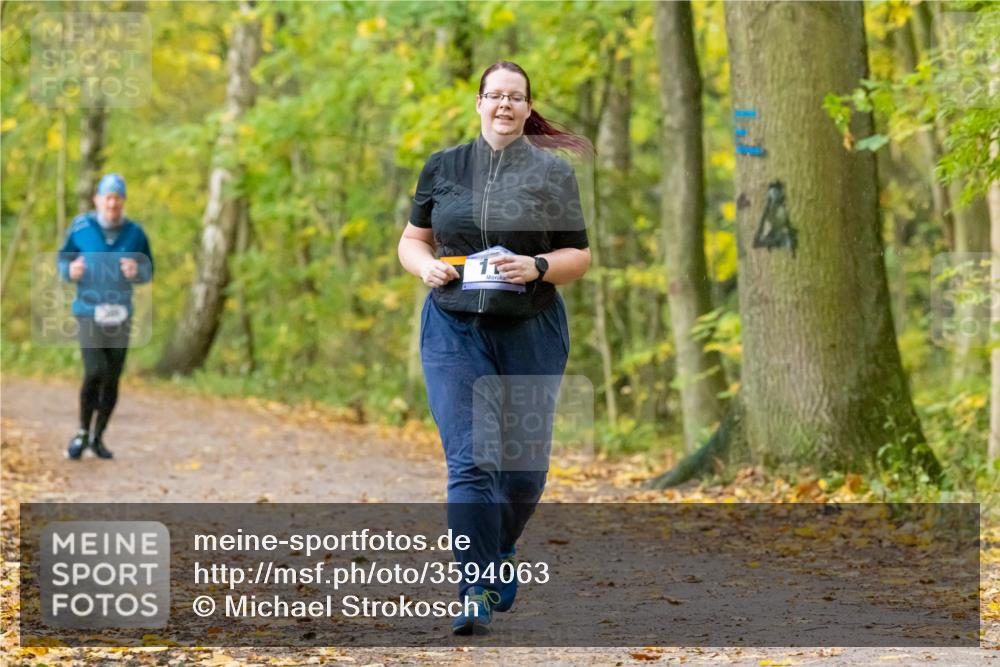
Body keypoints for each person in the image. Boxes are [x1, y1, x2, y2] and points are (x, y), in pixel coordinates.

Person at [397, 61, 591, 635]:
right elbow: (412, 241)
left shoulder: (552, 175)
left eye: (516, 97)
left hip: (531, 330)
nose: (504, 105)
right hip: (454, 330)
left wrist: (535, 266)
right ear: (478, 103)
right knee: (471, 459)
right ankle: (472, 586)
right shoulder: (443, 167)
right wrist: (426, 267)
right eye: (495, 95)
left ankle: (501, 547)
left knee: (525, 471)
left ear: (528, 109)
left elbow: (576, 257)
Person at [58, 173, 153, 460]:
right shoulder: (81, 227)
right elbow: (64, 259)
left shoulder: (135, 233)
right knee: (95, 371)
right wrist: (69, 270)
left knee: (112, 379)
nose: (112, 204)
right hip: (88, 311)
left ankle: (98, 437)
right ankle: (81, 432)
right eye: (108, 198)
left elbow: (149, 269)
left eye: (118, 198)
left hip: (120, 314)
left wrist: (137, 272)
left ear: (123, 201)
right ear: (98, 200)